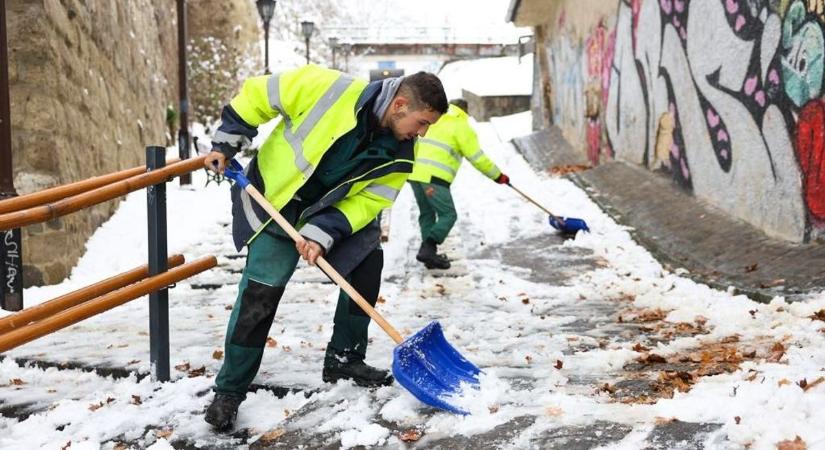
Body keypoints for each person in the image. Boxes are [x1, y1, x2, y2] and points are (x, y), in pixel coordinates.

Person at [202, 64, 448, 431]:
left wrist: (321, 232)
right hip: (277, 198)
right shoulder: (325, 87)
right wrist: (225, 142)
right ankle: (230, 390)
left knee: (367, 267)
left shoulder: (401, 155)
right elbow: (257, 95)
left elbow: (368, 203)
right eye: (423, 122)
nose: (423, 133)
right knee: (260, 294)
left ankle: (345, 359)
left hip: (334, 212)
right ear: (399, 105)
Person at [407, 98, 509, 269]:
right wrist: (498, 176)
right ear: (465, 111)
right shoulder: (461, 125)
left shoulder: (436, 119)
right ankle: (428, 248)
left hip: (415, 174)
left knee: (427, 214)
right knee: (448, 215)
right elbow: (477, 158)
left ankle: (429, 256)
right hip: (434, 178)